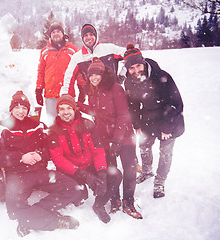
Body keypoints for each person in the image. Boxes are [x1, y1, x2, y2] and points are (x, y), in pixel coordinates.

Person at [0, 91, 81, 237]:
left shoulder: (38, 126)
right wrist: (20, 158)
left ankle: (33, 215)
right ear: (11, 109)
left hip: (40, 172)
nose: (21, 111)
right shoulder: (1, 129)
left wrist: (40, 154)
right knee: (13, 211)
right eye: (17, 107)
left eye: (24, 108)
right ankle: (55, 221)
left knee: (73, 189)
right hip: (18, 176)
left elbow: (51, 147)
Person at [77, 60, 142, 219]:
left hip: (124, 135)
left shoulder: (116, 89)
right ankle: (115, 200)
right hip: (104, 138)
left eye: (96, 74)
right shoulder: (92, 92)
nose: (93, 78)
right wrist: (77, 105)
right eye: (90, 75)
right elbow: (95, 112)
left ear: (103, 74)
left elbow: (123, 115)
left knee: (129, 168)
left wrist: (118, 139)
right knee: (112, 170)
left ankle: (128, 202)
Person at [47, 94, 122, 223]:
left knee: (115, 175)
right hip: (71, 170)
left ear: (75, 109)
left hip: (89, 165)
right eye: (62, 109)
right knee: (80, 196)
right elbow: (58, 159)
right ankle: (81, 191)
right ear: (58, 112)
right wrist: (83, 175)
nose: (66, 112)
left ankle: (99, 204)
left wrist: (102, 173)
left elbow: (98, 151)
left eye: (69, 108)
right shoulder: (54, 131)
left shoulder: (87, 125)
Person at [123, 44, 184, 198]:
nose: (136, 71)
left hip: (169, 119)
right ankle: (146, 171)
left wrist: (167, 128)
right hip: (149, 118)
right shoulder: (129, 81)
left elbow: (175, 103)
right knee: (144, 146)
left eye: (138, 66)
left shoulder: (162, 77)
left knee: (165, 153)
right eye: (132, 68)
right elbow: (133, 104)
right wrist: (136, 123)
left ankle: (159, 183)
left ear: (143, 62)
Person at [60, 23, 124, 102]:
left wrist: (122, 75)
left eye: (91, 34)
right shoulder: (77, 57)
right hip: (94, 97)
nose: (89, 37)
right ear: (82, 38)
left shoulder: (109, 49)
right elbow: (69, 77)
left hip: (114, 94)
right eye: (85, 35)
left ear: (96, 36)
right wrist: (65, 94)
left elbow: (131, 56)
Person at [35, 20, 79, 123]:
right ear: (50, 35)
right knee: (52, 123)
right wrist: (38, 90)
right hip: (50, 94)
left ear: (63, 33)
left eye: (58, 31)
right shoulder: (44, 51)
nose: (56, 34)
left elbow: (79, 71)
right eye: (53, 32)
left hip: (67, 93)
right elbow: (41, 72)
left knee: (69, 122)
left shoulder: (72, 49)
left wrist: (82, 87)